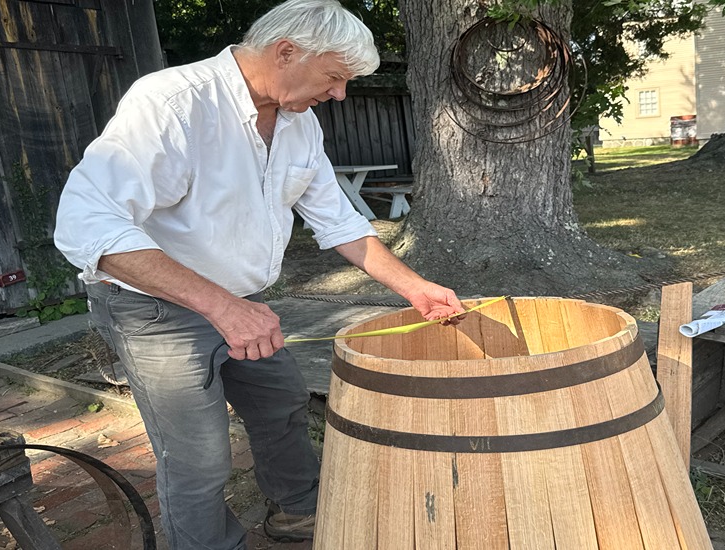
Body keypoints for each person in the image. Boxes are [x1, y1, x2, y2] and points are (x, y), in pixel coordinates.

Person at [53, 1, 464, 548]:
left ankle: (298, 513)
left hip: (246, 303)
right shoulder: (173, 102)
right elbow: (87, 226)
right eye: (336, 77)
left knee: (282, 407)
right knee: (198, 457)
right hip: (155, 309)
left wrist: (413, 288)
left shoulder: (300, 123)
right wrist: (222, 307)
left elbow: (338, 219)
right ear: (287, 52)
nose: (340, 94)